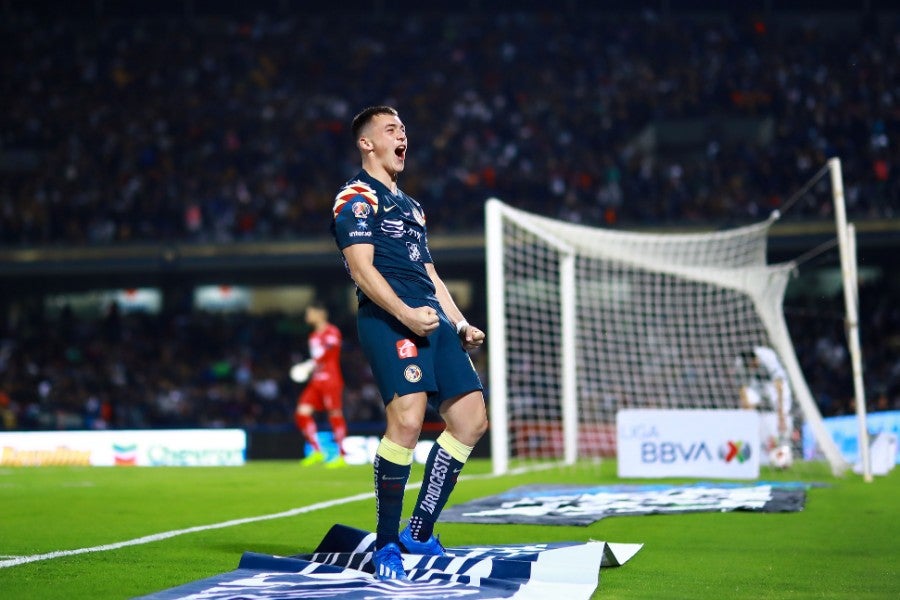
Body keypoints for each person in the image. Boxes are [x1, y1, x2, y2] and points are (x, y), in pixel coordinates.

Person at [330, 106, 488, 581]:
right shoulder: (355, 197)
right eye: (391, 129)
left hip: (432, 320)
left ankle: (418, 531)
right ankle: (385, 543)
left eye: (404, 128)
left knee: (471, 419)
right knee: (408, 419)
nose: (403, 136)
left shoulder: (412, 206)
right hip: (390, 320)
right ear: (367, 143)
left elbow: (430, 274)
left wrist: (458, 323)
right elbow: (361, 269)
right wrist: (404, 314)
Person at [294, 301, 348, 468]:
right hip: (316, 380)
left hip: (331, 379)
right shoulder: (313, 336)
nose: (307, 316)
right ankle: (317, 451)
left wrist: (310, 364)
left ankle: (341, 455)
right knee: (302, 412)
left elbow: (329, 352)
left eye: (310, 313)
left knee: (334, 414)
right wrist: (311, 366)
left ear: (321, 314)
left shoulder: (332, 332)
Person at [739, 346, 794, 462]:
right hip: (757, 384)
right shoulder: (740, 362)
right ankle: (749, 448)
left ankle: (784, 453)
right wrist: (747, 406)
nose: (751, 368)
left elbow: (779, 386)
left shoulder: (768, 358)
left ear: (756, 359)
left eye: (753, 365)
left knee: (784, 413)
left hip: (776, 385)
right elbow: (742, 388)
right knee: (745, 405)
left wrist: (781, 416)